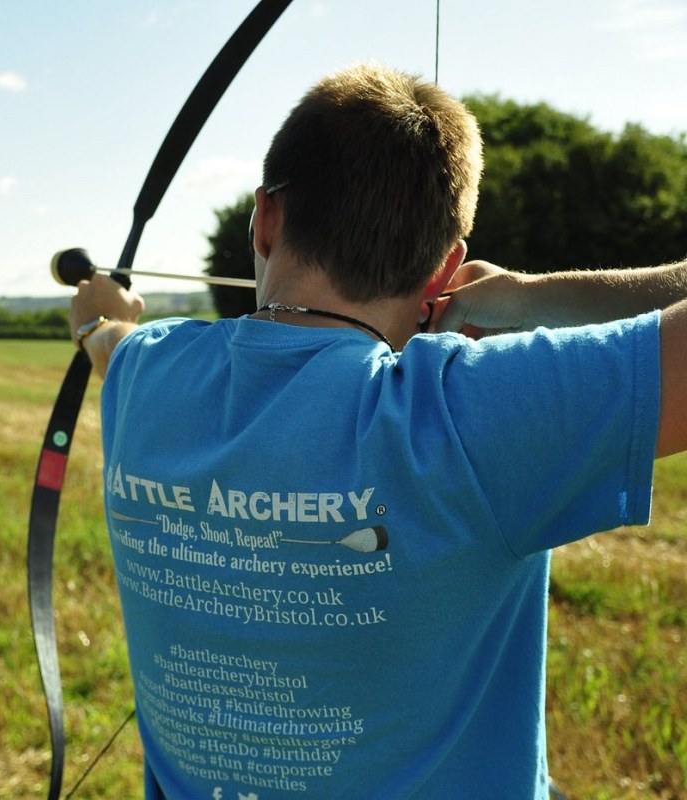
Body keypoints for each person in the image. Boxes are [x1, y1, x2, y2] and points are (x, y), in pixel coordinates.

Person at [68, 62, 687, 799]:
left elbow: (106, 339)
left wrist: (99, 316)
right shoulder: (467, 413)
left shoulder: (146, 372)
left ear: (266, 220)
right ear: (445, 269)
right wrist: (530, 297)